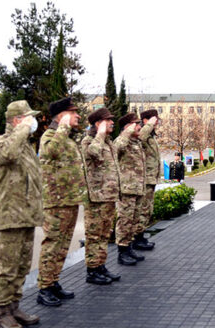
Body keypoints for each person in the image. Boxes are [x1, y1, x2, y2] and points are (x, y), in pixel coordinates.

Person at [0, 100, 42, 327]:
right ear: (17, 120)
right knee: (7, 269)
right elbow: (8, 154)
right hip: (9, 217)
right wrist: (22, 129)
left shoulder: (27, 147)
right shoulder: (1, 143)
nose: (34, 121)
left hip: (26, 216)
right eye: (29, 117)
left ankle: (14, 308)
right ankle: (3, 315)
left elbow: (36, 181)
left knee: (22, 267)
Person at [36, 97, 87, 307]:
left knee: (63, 244)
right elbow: (50, 152)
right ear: (62, 115)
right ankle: (44, 288)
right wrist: (63, 128)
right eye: (73, 112)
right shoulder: (50, 136)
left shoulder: (67, 139)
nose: (78, 116)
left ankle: (54, 281)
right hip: (56, 202)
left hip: (70, 200)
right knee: (52, 244)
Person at [81, 107, 121, 285]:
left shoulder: (108, 142)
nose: (112, 122)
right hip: (96, 197)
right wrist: (100, 134)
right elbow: (93, 153)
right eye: (107, 120)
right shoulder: (89, 141)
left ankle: (101, 266)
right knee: (94, 235)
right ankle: (92, 271)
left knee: (105, 233)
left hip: (109, 196)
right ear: (97, 124)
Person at [113, 113, 147, 265]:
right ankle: (122, 251)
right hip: (126, 189)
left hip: (138, 188)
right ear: (127, 126)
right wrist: (126, 132)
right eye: (135, 124)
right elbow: (115, 149)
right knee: (124, 220)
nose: (139, 127)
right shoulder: (122, 141)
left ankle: (129, 247)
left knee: (133, 220)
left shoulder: (136, 142)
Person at [135, 109, 160, 250]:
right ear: (145, 120)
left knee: (147, 210)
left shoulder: (151, 136)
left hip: (151, 178)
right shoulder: (143, 133)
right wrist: (149, 125)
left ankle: (141, 236)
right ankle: (137, 239)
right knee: (143, 210)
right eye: (154, 120)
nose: (156, 122)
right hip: (145, 179)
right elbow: (139, 138)